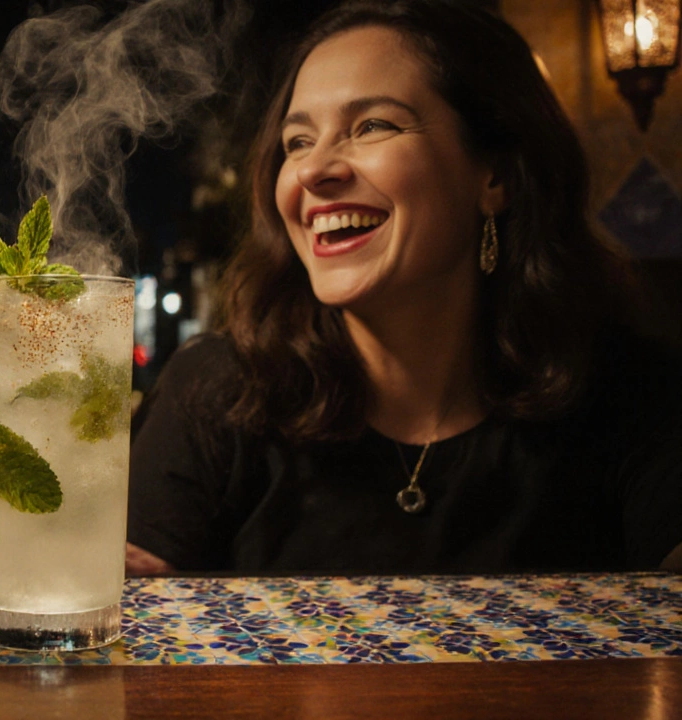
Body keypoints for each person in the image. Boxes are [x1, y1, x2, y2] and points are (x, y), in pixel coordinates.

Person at [126, 0, 682, 576]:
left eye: (373, 126)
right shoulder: (217, 394)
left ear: (495, 177)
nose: (315, 171)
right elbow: (113, 625)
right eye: (297, 142)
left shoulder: (627, 393)